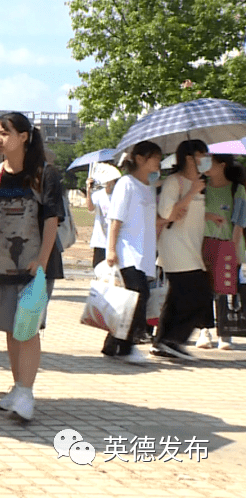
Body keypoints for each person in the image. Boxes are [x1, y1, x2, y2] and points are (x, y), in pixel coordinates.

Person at [0, 113, 64, 422]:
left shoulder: (45, 174)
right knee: (12, 330)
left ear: (24, 136)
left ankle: (26, 393)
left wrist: (40, 261)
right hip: (0, 265)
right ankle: (17, 387)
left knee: (27, 328)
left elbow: (52, 219)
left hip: (36, 267)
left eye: (5, 132)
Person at [102, 140, 163, 365]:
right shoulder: (126, 184)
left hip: (143, 253)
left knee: (130, 301)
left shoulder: (147, 187)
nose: (159, 163)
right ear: (140, 159)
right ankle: (128, 346)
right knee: (138, 297)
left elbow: (150, 221)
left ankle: (112, 344)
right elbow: (115, 219)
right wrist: (111, 249)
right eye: (155, 158)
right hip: (127, 252)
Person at [150, 140, 210, 360]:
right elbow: (167, 214)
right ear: (189, 157)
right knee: (200, 294)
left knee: (176, 298)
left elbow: (192, 213)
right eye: (202, 154)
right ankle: (173, 339)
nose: (206, 158)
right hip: (175, 246)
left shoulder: (201, 183)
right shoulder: (175, 182)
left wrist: (209, 216)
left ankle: (162, 341)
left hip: (192, 247)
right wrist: (191, 192)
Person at [198, 154, 246, 350]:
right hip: (204, 244)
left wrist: (233, 250)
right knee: (204, 289)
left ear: (222, 165)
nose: (206, 165)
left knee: (226, 288)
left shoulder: (237, 189)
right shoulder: (201, 187)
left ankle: (226, 333)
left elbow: (239, 222)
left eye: (211, 161)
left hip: (229, 245)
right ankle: (204, 331)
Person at [85, 172, 117, 268]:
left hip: (114, 240)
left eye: (111, 180)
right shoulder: (98, 195)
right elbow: (90, 208)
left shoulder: (118, 195)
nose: (108, 183)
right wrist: (88, 191)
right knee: (98, 268)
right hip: (100, 240)